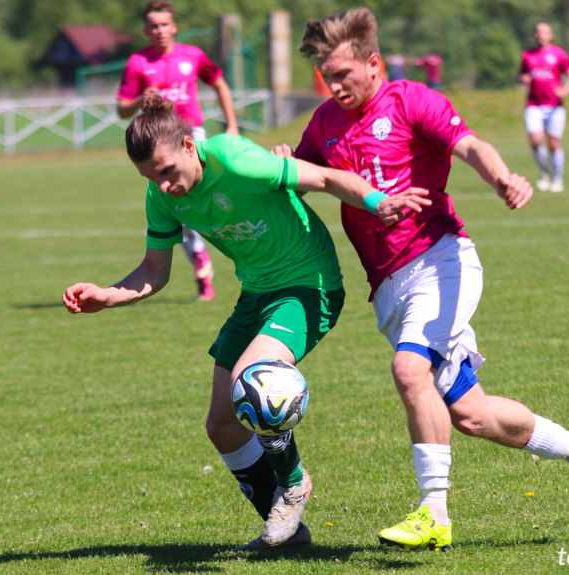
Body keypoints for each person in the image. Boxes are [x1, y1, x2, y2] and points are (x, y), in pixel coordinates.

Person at [277, 7, 569, 551]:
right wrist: (282, 164)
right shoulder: (324, 123)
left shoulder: (411, 100)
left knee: (409, 371)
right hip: (387, 285)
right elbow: (303, 173)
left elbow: (471, 146)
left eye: (343, 73)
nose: (334, 85)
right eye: (327, 75)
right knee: (472, 415)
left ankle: (433, 509)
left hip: (441, 259)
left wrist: (503, 178)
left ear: (373, 63)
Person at [63, 96, 429, 550]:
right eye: (150, 177)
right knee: (222, 425)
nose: (163, 184)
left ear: (190, 145)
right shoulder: (161, 197)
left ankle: (293, 483)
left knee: (250, 381)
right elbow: (154, 272)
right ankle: (289, 536)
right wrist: (108, 295)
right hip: (256, 293)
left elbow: (326, 177)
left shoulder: (235, 159)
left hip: (307, 285)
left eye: (166, 170)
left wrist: (379, 202)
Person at [117, 1, 240, 301]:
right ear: (146, 30)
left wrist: (232, 125)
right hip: (160, 145)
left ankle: (239, 241)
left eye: (164, 24)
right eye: (153, 26)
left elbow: (220, 84)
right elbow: (121, 109)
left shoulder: (193, 55)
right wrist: (138, 101)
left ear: (173, 26)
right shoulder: (137, 62)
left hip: (192, 137)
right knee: (180, 208)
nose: (159, 30)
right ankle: (201, 264)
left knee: (217, 193)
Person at [518, 21, 569, 193]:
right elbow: (522, 74)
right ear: (534, 35)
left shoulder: (559, 54)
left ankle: (557, 178)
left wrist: (565, 91)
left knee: (553, 144)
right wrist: (524, 79)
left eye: (545, 32)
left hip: (554, 106)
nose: (541, 35)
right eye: (538, 32)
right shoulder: (527, 55)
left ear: (551, 35)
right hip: (534, 105)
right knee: (535, 140)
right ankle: (544, 173)